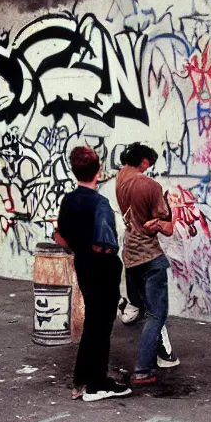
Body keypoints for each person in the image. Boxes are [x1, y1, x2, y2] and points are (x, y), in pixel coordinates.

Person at [53, 146, 131, 402]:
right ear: (99, 171)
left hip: (84, 267)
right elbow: (104, 244)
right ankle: (97, 384)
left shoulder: (68, 200)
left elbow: (60, 237)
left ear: (74, 170)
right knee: (102, 325)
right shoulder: (100, 204)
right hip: (102, 269)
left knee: (92, 324)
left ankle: (82, 380)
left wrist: (80, 247)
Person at [115, 143, 179, 387]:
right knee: (157, 313)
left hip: (130, 253)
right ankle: (142, 368)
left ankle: (163, 354)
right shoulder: (149, 185)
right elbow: (167, 226)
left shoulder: (120, 180)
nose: (149, 167)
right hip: (150, 255)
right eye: (148, 163)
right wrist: (162, 223)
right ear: (143, 161)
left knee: (146, 307)